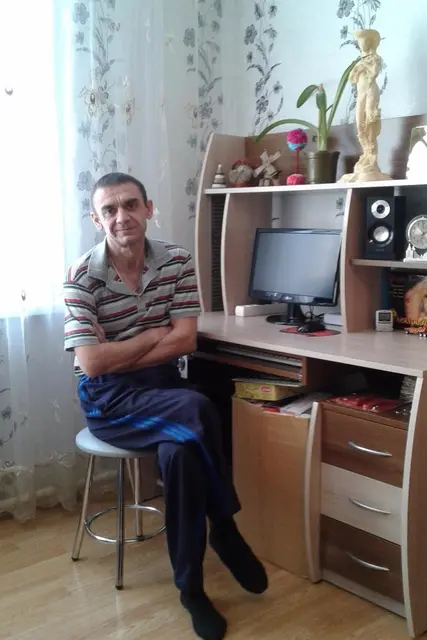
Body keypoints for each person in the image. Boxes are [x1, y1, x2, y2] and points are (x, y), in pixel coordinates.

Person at [63, 172, 268, 640]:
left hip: (160, 388)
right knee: (198, 408)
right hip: (109, 400)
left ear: (148, 208)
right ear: (96, 219)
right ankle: (224, 524)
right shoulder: (81, 277)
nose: (122, 216)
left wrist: (126, 347)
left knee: (182, 456)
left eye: (130, 205)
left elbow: (185, 340)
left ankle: (191, 589)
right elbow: (92, 365)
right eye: (110, 209)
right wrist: (154, 336)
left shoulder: (177, 261)